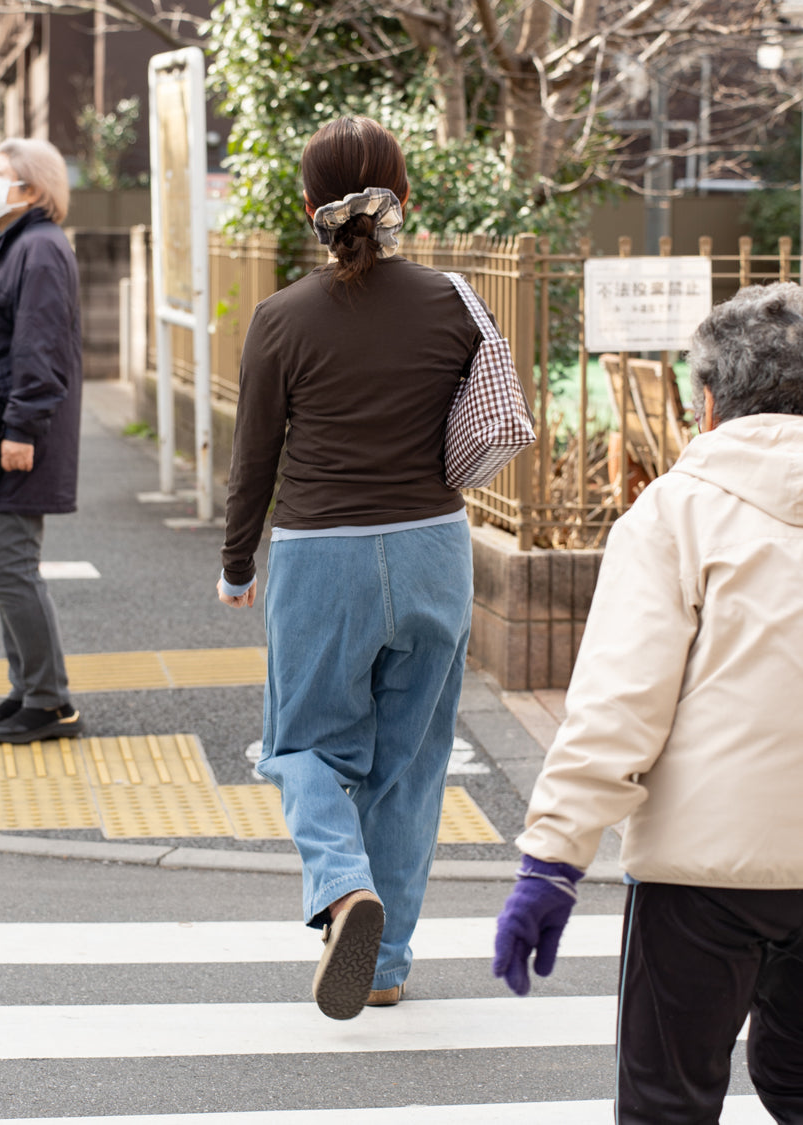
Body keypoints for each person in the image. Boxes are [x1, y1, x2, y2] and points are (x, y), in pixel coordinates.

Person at [493, 282, 803, 1122]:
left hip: (703, 879)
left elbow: (616, 708)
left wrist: (552, 862)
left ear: (707, 402)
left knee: (669, 1101)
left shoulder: (673, 515)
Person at [218, 116, 488, 1021]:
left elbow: (254, 459)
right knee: (410, 764)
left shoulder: (280, 317)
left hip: (319, 555)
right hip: (435, 553)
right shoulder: (456, 301)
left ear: (309, 210)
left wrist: (233, 564)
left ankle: (342, 887)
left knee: (301, 745)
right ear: (404, 200)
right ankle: (386, 962)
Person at [0, 138, 84, 744]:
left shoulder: (40, 248)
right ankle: (28, 687)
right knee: (5, 566)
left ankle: (51, 703)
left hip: (17, 434)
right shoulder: (13, 245)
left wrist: (21, 429)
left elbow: (41, 348)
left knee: (11, 565)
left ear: (32, 188)